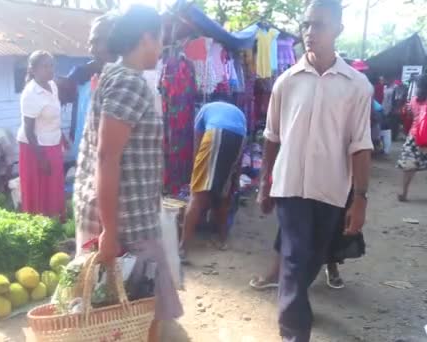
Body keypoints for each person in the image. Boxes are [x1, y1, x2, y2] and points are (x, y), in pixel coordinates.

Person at [257, 1, 373, 341]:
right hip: (290, 188)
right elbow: (271, 137)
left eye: (319, 25)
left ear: (338, 29)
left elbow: (361, 145)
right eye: (306, 25)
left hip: (331, 191)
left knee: (311, 261)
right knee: (293, 261)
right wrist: (265, 184)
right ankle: (294, 332)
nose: (309, 32)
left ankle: (293, 306)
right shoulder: (286, 82)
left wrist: (361, 198)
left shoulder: (357, 86)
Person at [74, 5, 183, 342]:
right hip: (127, 225)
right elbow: (108, 157)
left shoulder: (117, 75)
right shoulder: (129, 83)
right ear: (147, 37)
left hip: (120, 217)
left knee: (115, 320)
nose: (163, 45)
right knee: (134, 319)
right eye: (161, 37)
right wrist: (110, 232)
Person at [179, 100, 246, 262]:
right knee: (223, 194)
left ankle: (182, 249)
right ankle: (222, 239)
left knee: (198, 195)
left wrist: (196, 175)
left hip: (216, 133)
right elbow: (241, 152)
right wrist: (236, 178)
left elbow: (198, 142)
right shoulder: (238, 113)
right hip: (239, 138)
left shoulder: (203, 110)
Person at [57, 14, 117, 164]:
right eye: (91, 43)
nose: (91, 49)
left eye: (97, 42)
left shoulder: (133, 81)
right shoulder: (84, 75)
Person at [17, 51, 66, 220]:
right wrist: (41, 158)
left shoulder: (52, 85)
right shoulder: (30, 94)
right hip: (35, 148)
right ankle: (38, 225)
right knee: (38, 190)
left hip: (53, 142)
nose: (50, 69)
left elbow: (54, 115)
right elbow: (29, 130)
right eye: (45, 66)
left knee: (54, 186)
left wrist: (63, 136)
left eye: (52, 65)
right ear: (33, 69)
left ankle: (55, 222)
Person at [397, 74, 427, 202]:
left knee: (409, 166)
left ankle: (404, 193)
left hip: (414, 137)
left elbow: (407, 114)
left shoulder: (414, 100)